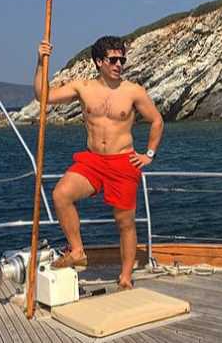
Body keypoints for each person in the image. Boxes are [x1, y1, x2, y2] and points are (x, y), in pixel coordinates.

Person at [34, 35, 164, 289]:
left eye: (122, 60)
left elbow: (157, 121)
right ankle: (77, 250)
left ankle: (125, 275)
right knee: (61, 194)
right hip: (93, 160)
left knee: (125, 222)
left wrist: (148, 154)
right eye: (113, 60)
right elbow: (43, 96)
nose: (119, 64)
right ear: (98, 62)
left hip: (123, 162)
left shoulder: (133, 91)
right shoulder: (83, 87)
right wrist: (41, 62)